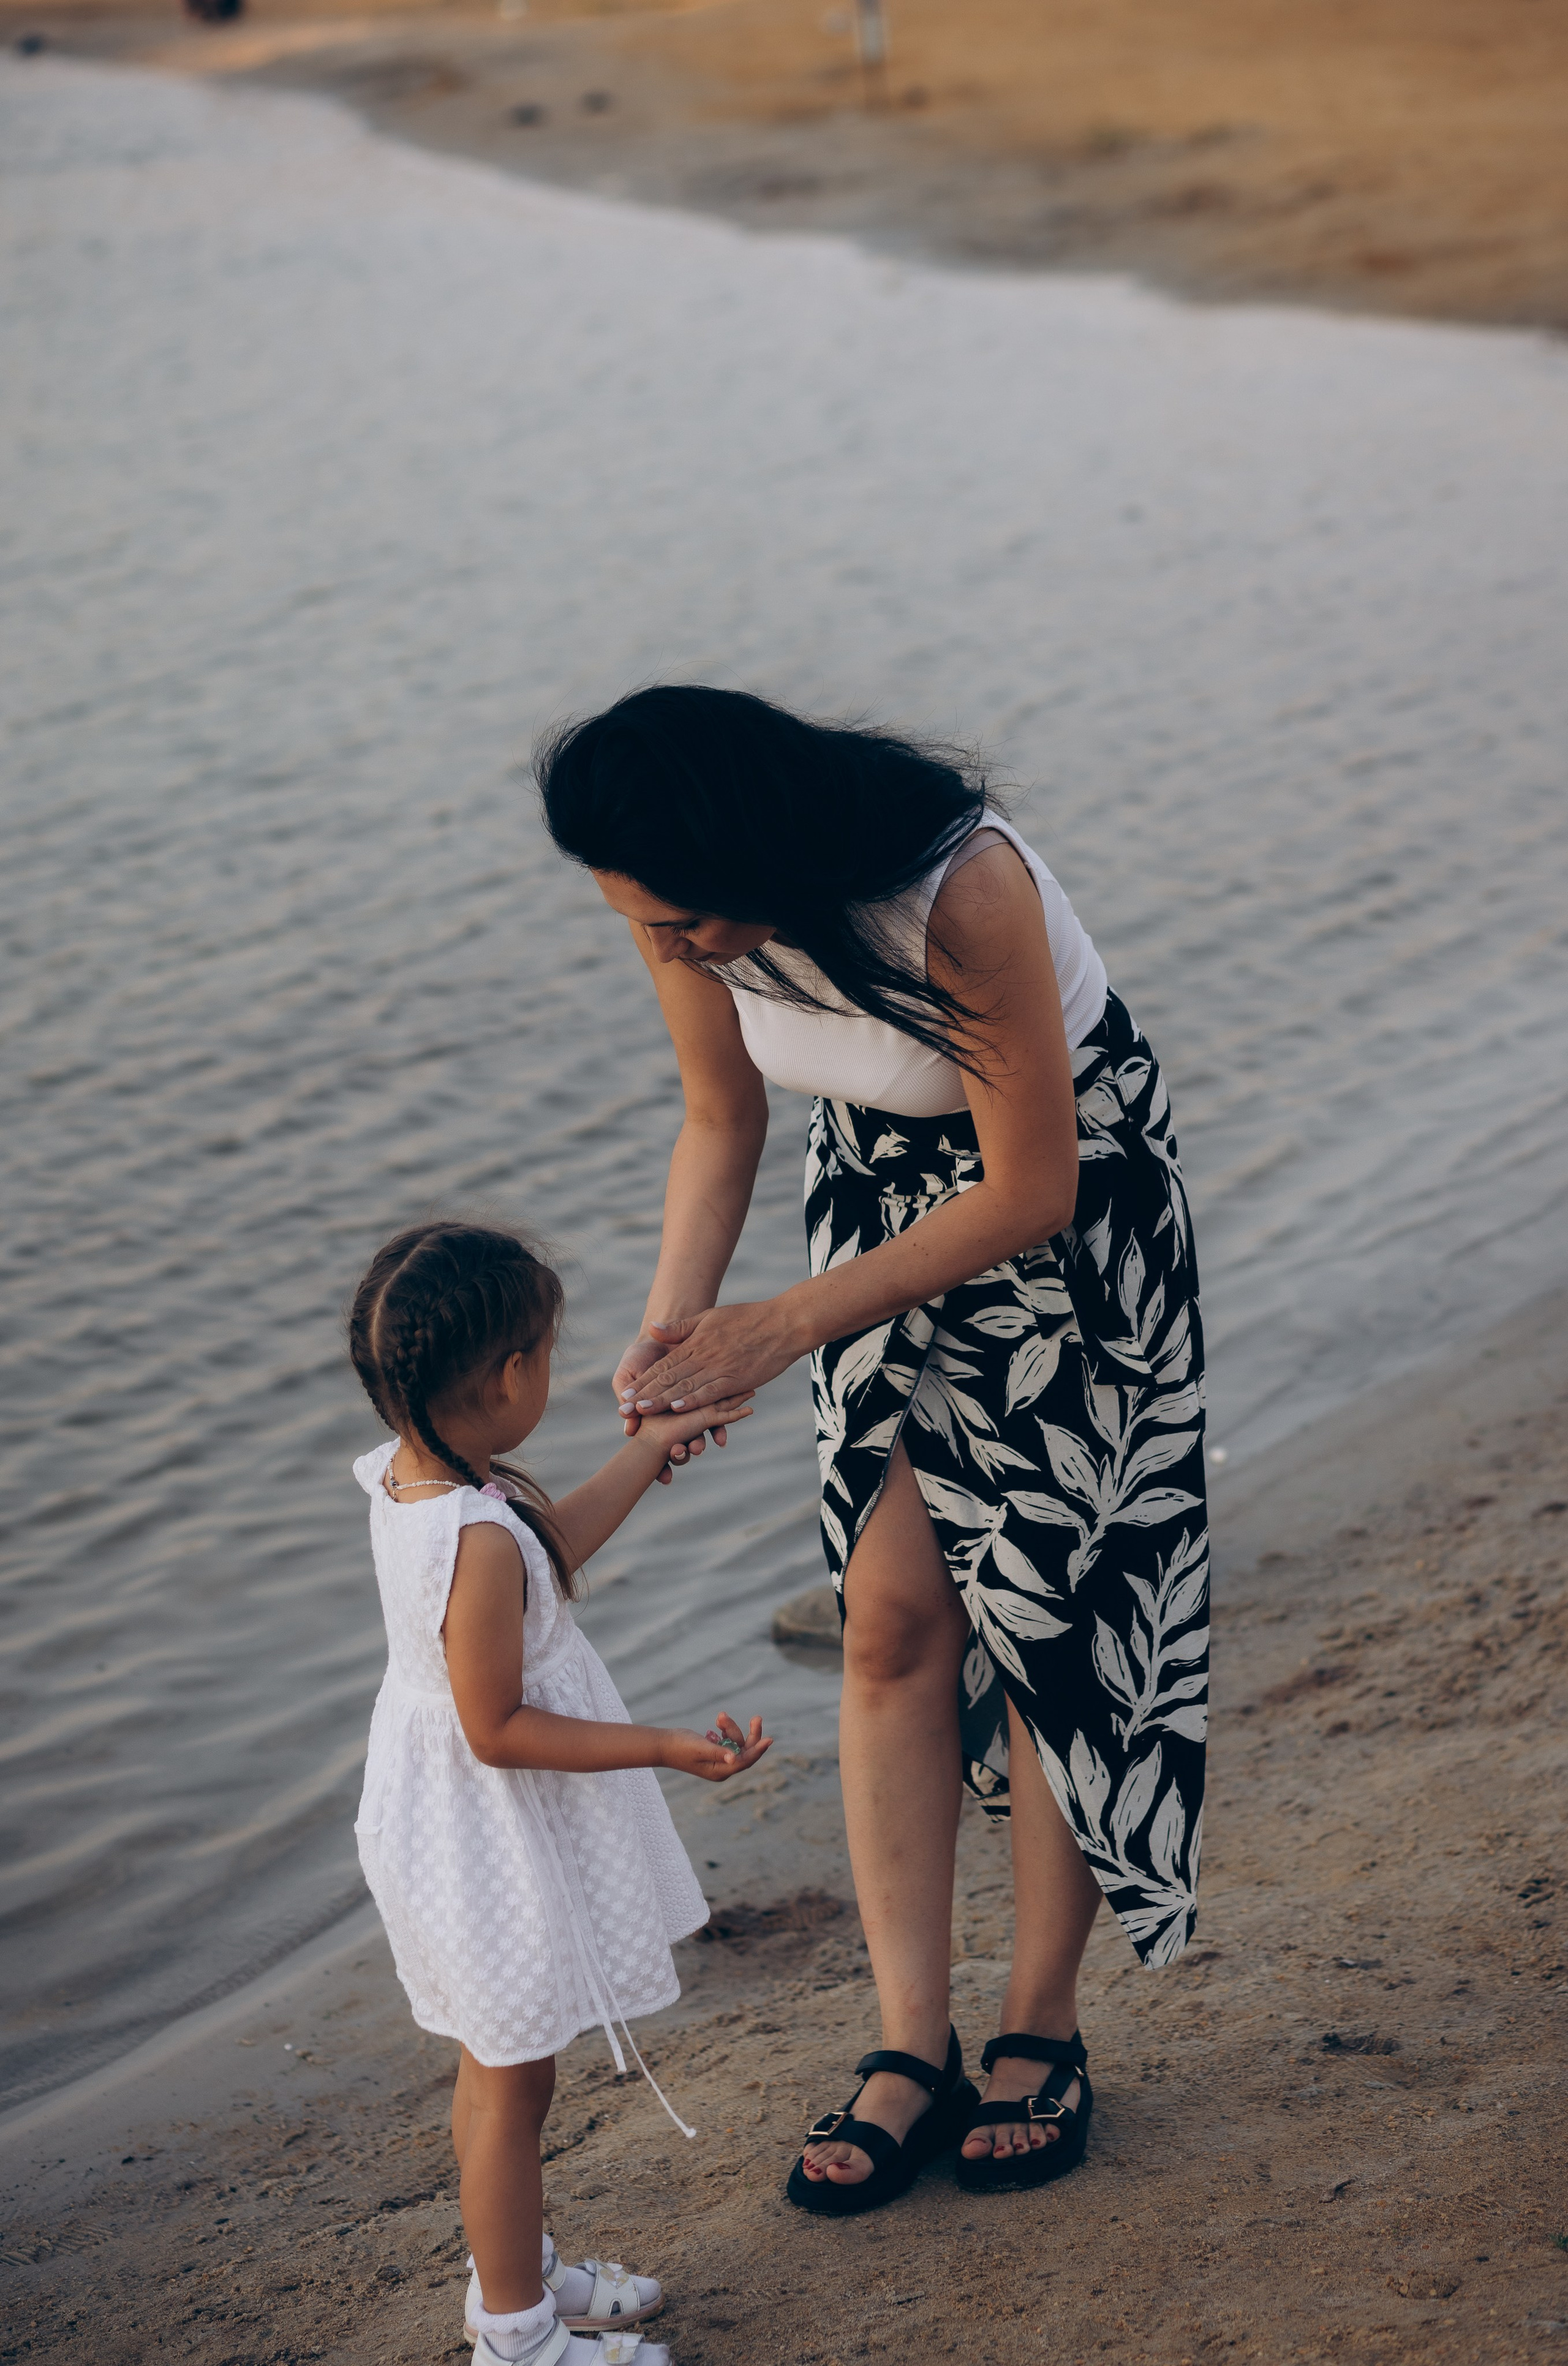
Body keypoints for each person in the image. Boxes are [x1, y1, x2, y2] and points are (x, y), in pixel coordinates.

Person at [538, 686, 1209, 2214]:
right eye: (644, 917)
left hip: (1064, 1227)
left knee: (1049, 1624)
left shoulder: (954, 883)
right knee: (890, 1615)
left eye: (690, 913)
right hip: (871, 1209)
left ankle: (1040, 2025)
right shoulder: (674, 899)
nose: (677, 940)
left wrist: (777, 1331)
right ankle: (912, 2040)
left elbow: (1034, 1179)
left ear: (756, 847)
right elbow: (721, 1117)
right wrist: (675, 1341)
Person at [347, 1220, 770, 2364]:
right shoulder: (473, 1534)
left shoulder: (422, 1480)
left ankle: (517, 2275)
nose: (551, 1366)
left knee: (499, 2067)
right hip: (481, 1826)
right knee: (511, 2080)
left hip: (446, 1814)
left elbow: (549, 1549)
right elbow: (498, 1727)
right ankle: (517, 2335)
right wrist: (663, 1745)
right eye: (544, 1349)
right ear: (504, 1376)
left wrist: (651, 1448)